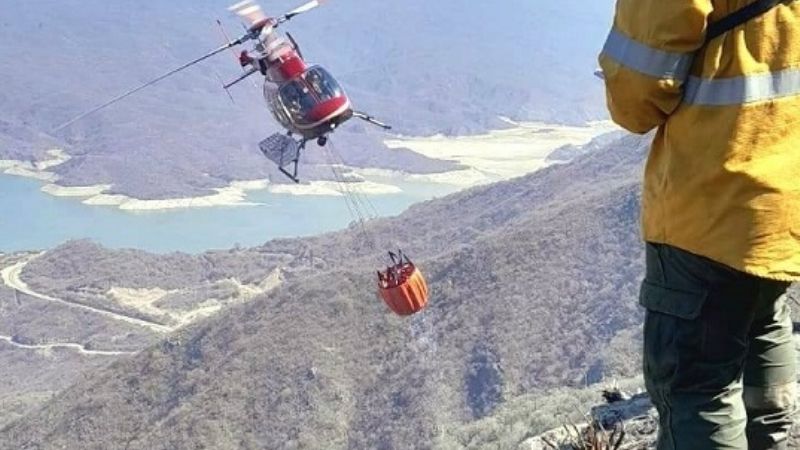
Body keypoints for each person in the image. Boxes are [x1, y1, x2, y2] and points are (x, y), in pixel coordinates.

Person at [599, 1, 800, 449]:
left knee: (696, 385)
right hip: (786, 193)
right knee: (761, 320)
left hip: (712, 204)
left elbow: (635, 97)